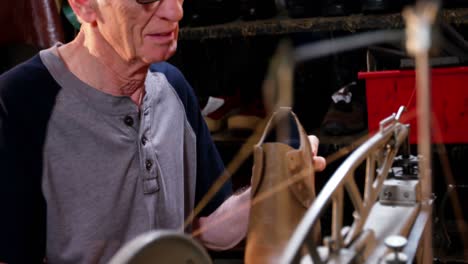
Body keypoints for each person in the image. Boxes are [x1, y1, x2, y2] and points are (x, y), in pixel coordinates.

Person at [0, 0, 326, 263]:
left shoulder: (172, 86)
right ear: (85, 6)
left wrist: (271, 187)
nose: (175, 12)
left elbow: (209, 228)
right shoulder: (19, 101)